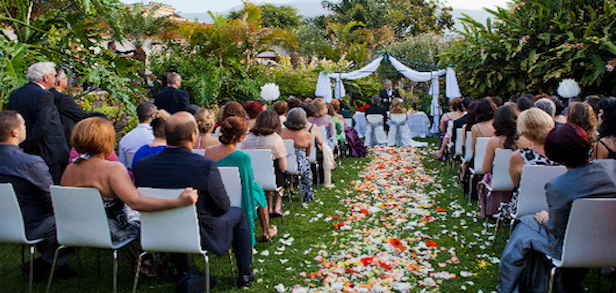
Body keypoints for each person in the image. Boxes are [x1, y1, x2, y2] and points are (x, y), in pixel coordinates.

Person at [62, 117, 198, 277]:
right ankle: (157, 268)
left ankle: (150, 267)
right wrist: (176, 202)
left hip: (76, 229)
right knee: (154, 222)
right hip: (111, 231)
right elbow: (136, 202)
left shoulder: (70, 169)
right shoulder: (112, 169)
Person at [134, 112, 254, 288]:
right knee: (237, 213)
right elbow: (222, 206)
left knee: (180, 216)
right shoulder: (204, 166)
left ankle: (183, 269)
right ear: (193, 136)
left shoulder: (143, 166)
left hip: (157, 230)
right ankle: (244, 273)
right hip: (200, 233)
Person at [498, 123, 616, 293]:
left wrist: (544, 218)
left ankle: (508, 286)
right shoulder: (612, 168)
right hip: (611, 244)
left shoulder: (558, 186)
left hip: (573, 249)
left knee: (526, 224)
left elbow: (557, 230)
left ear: (554, 155)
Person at [0, 110, 75, 279]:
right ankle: (48, 263)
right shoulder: (30, 163)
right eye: (24, 125)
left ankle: (49, 262)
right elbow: (52, 199)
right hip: (31, 226)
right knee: (72, 219)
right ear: (15, 132)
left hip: (4, 222)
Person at [204, 117, 276, 243]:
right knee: (258, 190)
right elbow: (246, 184)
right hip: (238, 198)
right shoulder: (242, 158)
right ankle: (265, 231)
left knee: (256, 189)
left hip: (216, 197)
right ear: (241, 137)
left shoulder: (209, 152)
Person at [7, 62, 68, 184]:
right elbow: (42, 124)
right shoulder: (45, 95)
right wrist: (29, 145)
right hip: (47, 151)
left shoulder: (16, 93)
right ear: (46, 77)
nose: (54, 79)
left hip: (22, 148)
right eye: (53, 75)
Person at [496, 108, 557, 221]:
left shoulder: (520, 156)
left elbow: (516, 183)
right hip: (557, 204)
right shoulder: (563, 151)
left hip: (525, 205)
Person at [479, 105, 531, 218]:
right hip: (521, 183)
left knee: (485, 178)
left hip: (498, 182)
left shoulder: (494, 142)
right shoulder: (527, 141)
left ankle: (491, 209)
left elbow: (486, 168)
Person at [240, 110, 288, 217]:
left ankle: (269, 207)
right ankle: (277, 207)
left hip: (253, 176)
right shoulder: (276, 139)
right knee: (279, 172)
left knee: (269, 173)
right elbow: (283, 166)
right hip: (272, 179)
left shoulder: (248, 139)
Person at [50, 68, 91, 148]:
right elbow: (80, 115)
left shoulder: (46, 94)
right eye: (65, 78)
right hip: (65, 136)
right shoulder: (63, 98)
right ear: (59, 82)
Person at [280, 108, 314, 202]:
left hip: (281, 165)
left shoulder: (280, 132)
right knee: (307, 170)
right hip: (300, 166)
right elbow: (308, 153)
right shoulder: (306, 135)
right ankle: (307, 195)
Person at [118, 102, 156, 167]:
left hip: (130, 174)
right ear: (153, 115)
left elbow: (122, 164)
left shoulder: (125, 139)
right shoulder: (154, 138)